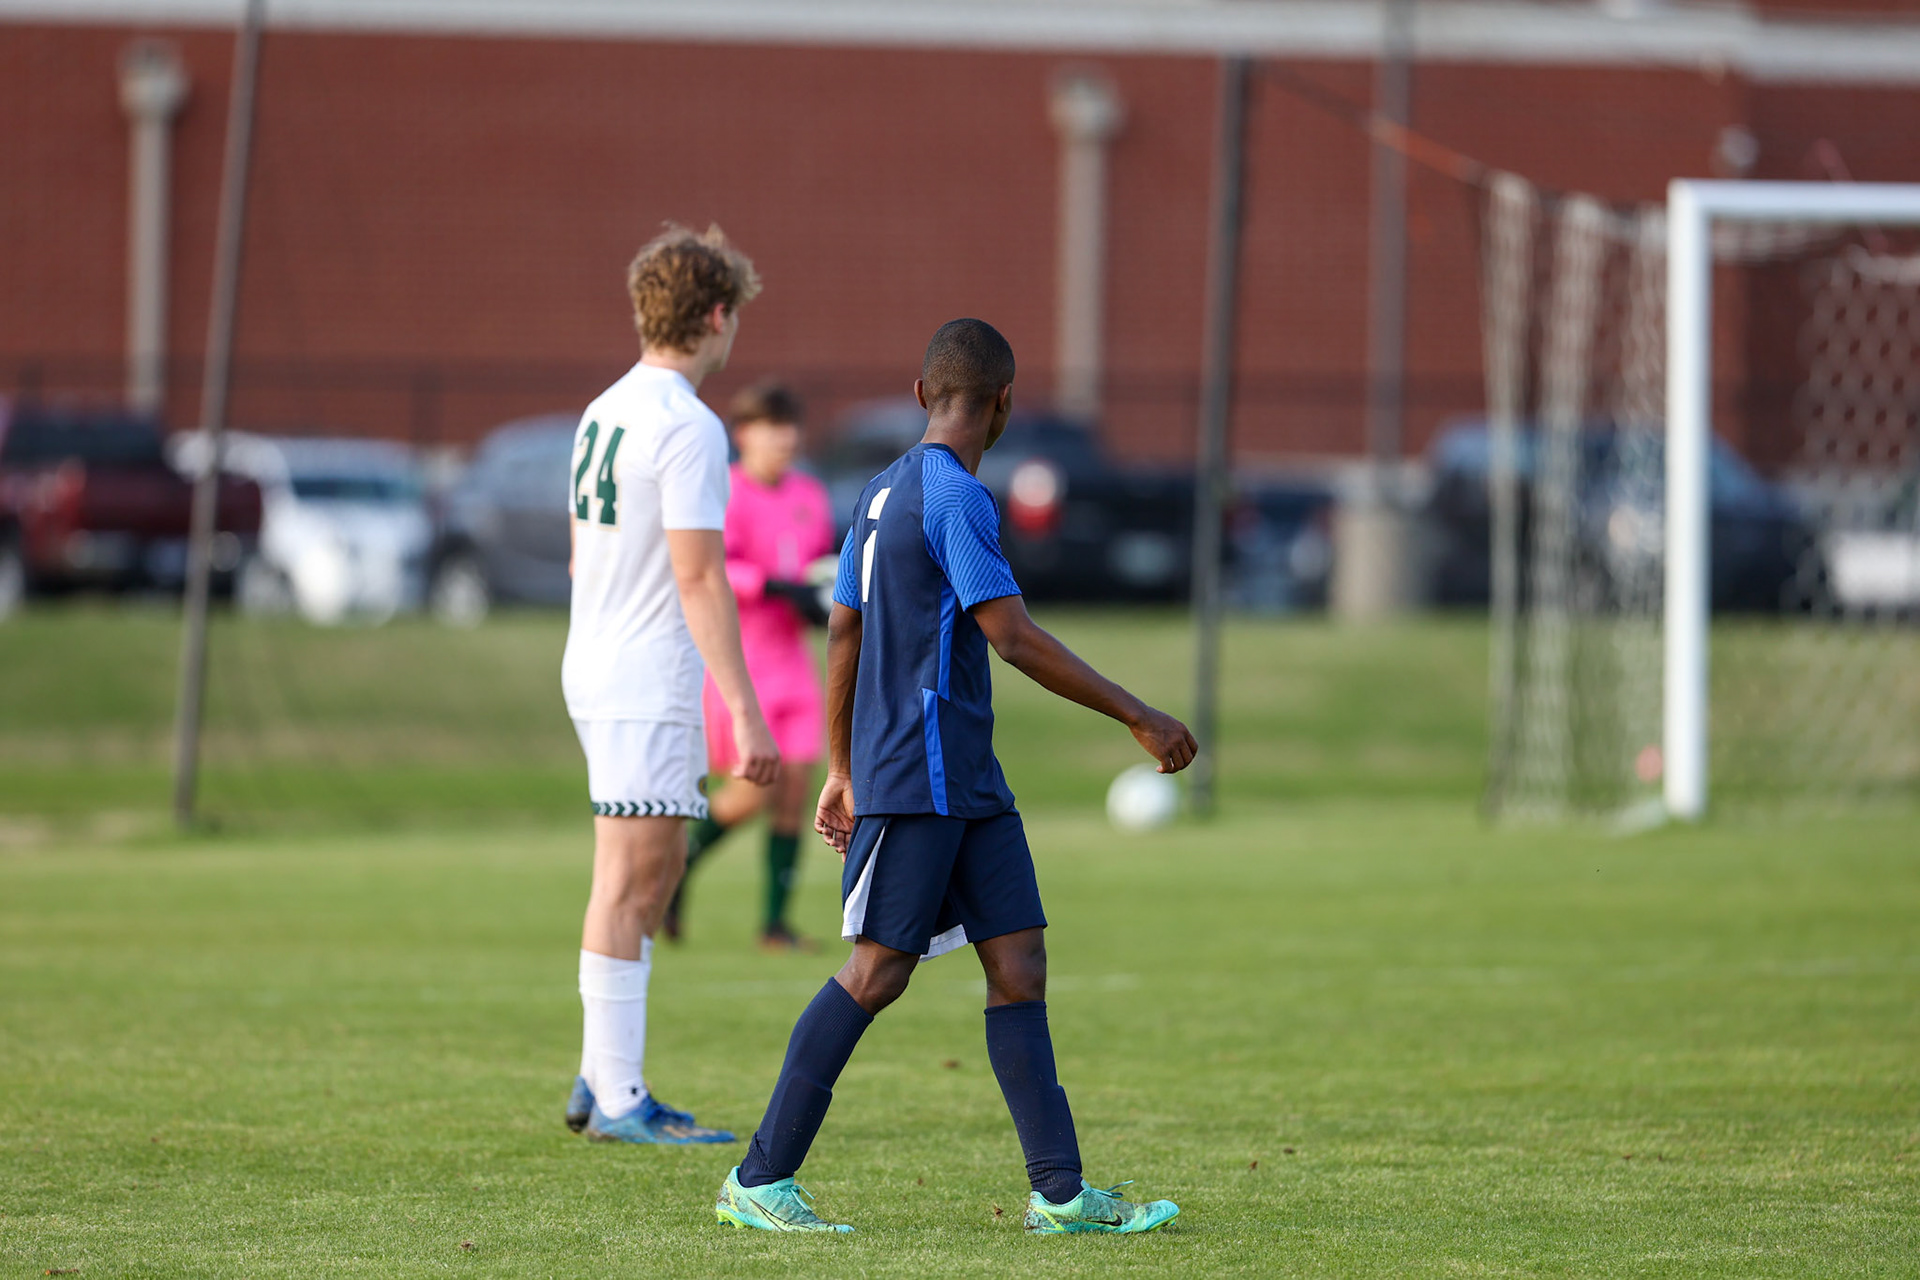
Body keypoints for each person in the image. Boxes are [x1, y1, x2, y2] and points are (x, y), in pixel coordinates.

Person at [712, 318, 1198, 1234]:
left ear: (920, 392)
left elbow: (842, 627)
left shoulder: (879, 489)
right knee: (877, 971)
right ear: (1005, 402)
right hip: (920, 774)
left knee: (1019, 965)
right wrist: (1139, 713)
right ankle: (759, 1177)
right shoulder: (957, 498)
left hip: (964, 778)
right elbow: (1009, 635)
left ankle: (1059, 1196)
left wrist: (837, 766)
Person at [559, 225, 778, 1145]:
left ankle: (597, 1075)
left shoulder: (604, 408)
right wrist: (743, 708)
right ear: (717, 315)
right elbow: (699, 577)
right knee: (635, 878)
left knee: (653, 870)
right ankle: (617, 1098)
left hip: (604, 660)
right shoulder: (687, 425)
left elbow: (582, 563)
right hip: (644, 672)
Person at [665, 382, 837, 952]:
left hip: (794, 664)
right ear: (744, 435)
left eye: (789, 427)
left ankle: (774, 925)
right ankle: (675, 867)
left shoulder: (810, 494)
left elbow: (816, 571)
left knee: (795, 794)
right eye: (769, 427)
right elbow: (714, 570)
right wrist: (770, 584)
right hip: (742, 663)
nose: (782, 439)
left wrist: (819, 600)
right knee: (750, 792)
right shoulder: (727, 494)